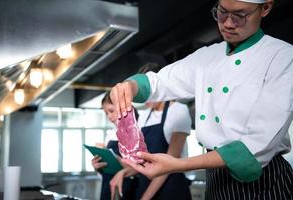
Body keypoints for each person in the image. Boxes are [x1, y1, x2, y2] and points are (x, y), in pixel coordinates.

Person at [109, 0, 293, 199]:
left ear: (265, 8)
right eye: (222, 12)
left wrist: (178, 165)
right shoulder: (207, 57)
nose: (228, 23)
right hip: (214, 181)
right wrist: (129, 86)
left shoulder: (282, 57)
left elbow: (257, 144)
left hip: (264, 183)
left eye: (240, 15)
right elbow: (160, 82)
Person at [109, 63, 192, 200]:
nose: (144, 98)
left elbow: (170, 164)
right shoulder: (145, 116)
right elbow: (142, 162)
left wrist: (145, 198)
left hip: (170, 189)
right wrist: (122, 173)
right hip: (146, 184)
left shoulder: (179, 110)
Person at [91, 92, 137, 200]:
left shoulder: (136, 131)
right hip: (108, 185)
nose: (109, 116)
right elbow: (106, 170)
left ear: (124, 107)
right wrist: (98, 166)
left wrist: (117, 160)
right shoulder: (110, 134)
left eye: (111, 111)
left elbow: (140, 169)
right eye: (106, 113)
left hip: (128, 187)